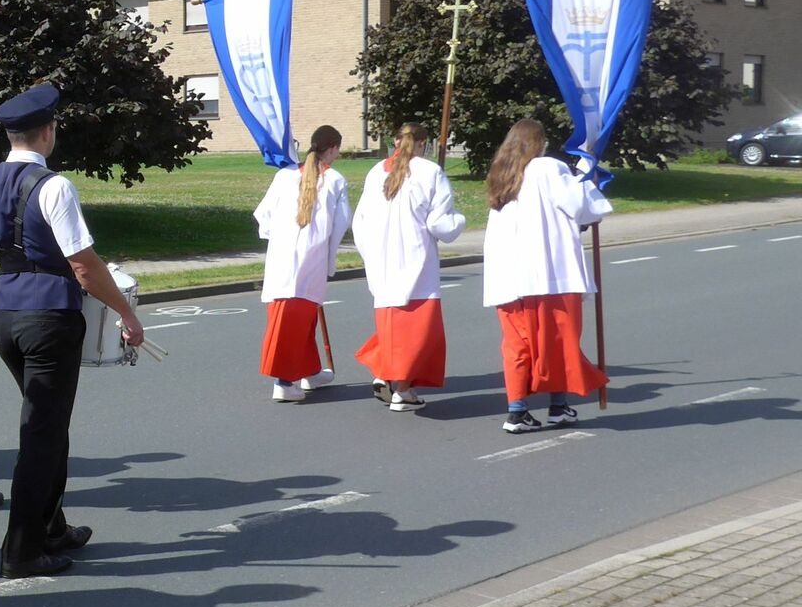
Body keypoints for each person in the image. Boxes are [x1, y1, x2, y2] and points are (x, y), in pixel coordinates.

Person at [0, 84, 141, 577]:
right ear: (47, 131)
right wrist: (125, 312)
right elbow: (83, 265)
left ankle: (53, 528)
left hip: (7, 317)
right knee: (43, 435)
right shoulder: (55, 186)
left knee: (47, 425)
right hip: (51, 317)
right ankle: (21, 551)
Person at [481, 118, 613, 433]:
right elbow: (583, 208)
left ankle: (517, 411)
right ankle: (557, 405)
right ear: (538, 143)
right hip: (550, 274)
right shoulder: (548, 168)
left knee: (517, 345)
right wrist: (588, 176)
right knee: (558, 342)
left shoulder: (501, 174)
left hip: (509, 278)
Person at [350, 122, 465, 412]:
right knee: (419, 332)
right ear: (423, 143)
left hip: (382, 260)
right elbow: (440, 225)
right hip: (416, 260)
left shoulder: (376, 172)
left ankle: (386, 373)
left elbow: (360, 221)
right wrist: (459, 220)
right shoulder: (429, 172)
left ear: (396, 141)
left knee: (392, 326)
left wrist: (369, 255)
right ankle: (402, 389)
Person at [255, 126, 350, 403]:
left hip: (283, 255)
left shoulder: (284, 175)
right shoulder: (335, 180)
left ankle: (309, 371)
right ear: (333, 148)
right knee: (290, 319)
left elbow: (263, 214)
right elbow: (341, 223)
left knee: (304, 319)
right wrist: (330, 258)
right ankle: (284, 382)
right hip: (312, 255)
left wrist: (276, 238)